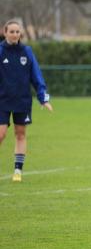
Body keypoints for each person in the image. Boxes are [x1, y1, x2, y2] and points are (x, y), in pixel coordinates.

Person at [0, 20, 53, 182]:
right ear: (5, 32)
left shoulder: (27, 52)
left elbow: (36, 76)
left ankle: (18, 171)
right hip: (2, 100)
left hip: (22, 100)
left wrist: (43, 98)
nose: (15, 34)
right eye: (12, 31)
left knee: (20, 134)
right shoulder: (0, 52)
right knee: (1, 134)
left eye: (18, 32)